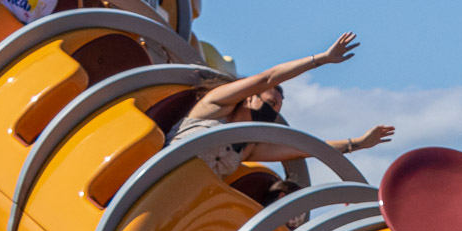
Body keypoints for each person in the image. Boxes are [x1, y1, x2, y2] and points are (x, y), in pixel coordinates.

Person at [167, 34, 395, 175]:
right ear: (250, 97)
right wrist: (322, 59)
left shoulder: (249, 148)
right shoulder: (217, 105)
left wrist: (358, 143)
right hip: (162, 174)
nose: (273, 110)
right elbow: (268, 78)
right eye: (270, 102)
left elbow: (308, 148)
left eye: (277, 108)